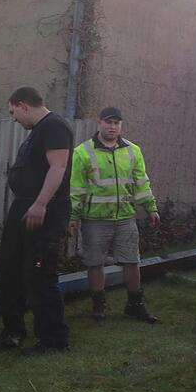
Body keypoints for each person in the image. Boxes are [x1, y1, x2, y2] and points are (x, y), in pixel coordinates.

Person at [68, 107, 160, 323]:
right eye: (108, 122)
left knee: (131, 261)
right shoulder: (83, 152)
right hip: (95, 219)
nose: (112, 127)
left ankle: (135, 304)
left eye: (117, 123)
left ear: (121, 125)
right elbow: (76, 188)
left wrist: (151, 207)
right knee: (95, 263)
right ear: (99, 123)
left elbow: (141, 182)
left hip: (125, 218)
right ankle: (99, 306)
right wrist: (73, 215)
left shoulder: (132, 151)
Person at [0, 87, 72, 354]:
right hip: (24, 207)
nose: (14, 119)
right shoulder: (37, 132)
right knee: (9, 270)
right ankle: (13, 330)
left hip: (45, 210)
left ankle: (53, 340)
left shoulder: (54, 126)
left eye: (13, 112)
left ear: (23, 105)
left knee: (40, 273)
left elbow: (58, 167)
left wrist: (40, 204)